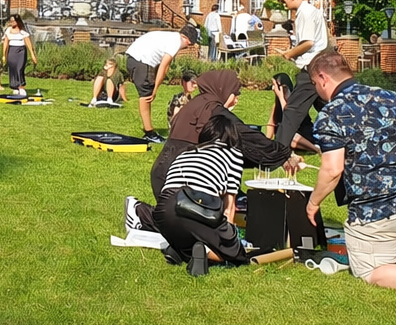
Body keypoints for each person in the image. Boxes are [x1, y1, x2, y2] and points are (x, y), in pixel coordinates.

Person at [126, 69, 300, 231]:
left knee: (198, 226)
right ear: (223, 89)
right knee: (200, 230)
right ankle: (141, 213)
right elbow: (245, 136)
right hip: (180, 180)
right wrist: (285, 155)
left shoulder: (199, 104)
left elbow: (230, 148)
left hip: (167, 174)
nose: (236, 99)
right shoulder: (211, 109)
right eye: (235, 93)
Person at [306, 52, 396, 288]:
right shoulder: (391, 97)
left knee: (369, 272)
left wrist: (313, 203)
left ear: (322, 78)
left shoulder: (331, 114)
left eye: (314, 83)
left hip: (374, 213)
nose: (316, 89)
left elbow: (332, 169)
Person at [152, 114, 251, 268]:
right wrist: (229, 238)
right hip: (195, 207)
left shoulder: (187, 152)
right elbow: (229, 206)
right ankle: (202, 252)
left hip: (163, 209)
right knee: (237, 255)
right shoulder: (234, 154)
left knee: (193, 232)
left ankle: (179, 249)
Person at [273, 0, 329, 149]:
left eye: (284, 1)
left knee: (293, 111)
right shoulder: (312, 11)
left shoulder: (305, 13)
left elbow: (308, 42)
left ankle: (278, 150)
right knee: (326, 107)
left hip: (310, 68)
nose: (284, 6)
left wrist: (289, 53)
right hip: (319, 65)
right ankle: (317, 140)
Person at [123, 22, 199, 144]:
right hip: (141, 61)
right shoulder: (176, 42)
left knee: (145, 94)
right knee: (146, 96)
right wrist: (155, 90)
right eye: (189, 44)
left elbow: (166, 66)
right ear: (185, 38)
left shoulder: (171, 37)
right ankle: (149, 133)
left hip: (133, 58)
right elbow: (163, 67)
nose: (187, 47)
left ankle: (149, 131)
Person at [264, 72, 317, 153]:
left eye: (274, 85)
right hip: (290, 137)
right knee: (289, 138)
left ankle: (316, 149)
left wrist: (281, 97)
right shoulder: (276, 105)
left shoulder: (296, 103)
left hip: (303, 134)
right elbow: (271, 124)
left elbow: (289, 117)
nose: (273, 88)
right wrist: (266, 143)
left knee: (292, 137)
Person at [2, 14, 38, 96]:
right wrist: (4, 54)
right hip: (12, 51)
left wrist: (32, 54)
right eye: (11, 21)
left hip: (21, 51)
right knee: (13, 68)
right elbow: (6, 42)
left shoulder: (23, 32)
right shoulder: (8, 30)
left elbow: (28, 43)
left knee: (19, 68)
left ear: (17, 21)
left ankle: (21, 86)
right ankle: (14, 86)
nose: (12, 23)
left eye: (13, 21)